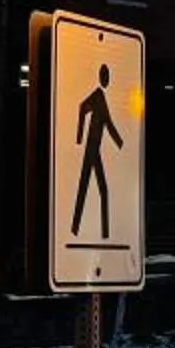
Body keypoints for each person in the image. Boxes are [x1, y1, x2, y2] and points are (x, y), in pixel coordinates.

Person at [72, 62, 123, 239]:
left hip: (96, 149)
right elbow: (81, 107)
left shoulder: (102, 98)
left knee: (100, 189)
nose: (108, 80)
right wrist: (78, 137)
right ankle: (76, 229)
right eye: (106, 77)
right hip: (90, 148)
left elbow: (108, 123)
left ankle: (104, 234)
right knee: (84, 188)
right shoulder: (97, 95)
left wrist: (120, 143)